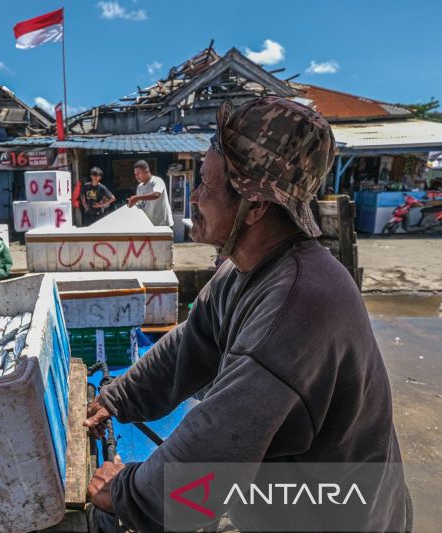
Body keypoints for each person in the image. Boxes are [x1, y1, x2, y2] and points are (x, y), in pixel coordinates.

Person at [83, 97, 408, 532]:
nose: (195, 197)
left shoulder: (298, 306)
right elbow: (190, 344)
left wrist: (126, 492)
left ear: (255, 206)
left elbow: (215, 448)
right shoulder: (245, 269)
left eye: (207, 186)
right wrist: (116, 398)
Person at [127, 160, 174, 227]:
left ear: (146, 171)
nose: (136, 176)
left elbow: (156, 194)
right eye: (135, 174)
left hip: (163, 224)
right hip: (149, 225)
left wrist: (137, 197)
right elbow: (141, 205)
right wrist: (133, 203)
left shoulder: (157, 181)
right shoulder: (139, 187)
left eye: (138, 173)